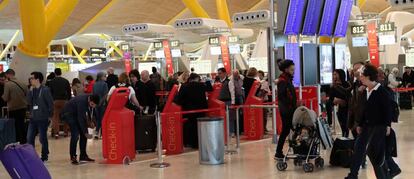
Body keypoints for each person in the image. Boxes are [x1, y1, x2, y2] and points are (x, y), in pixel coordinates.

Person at [345, 64, 392, 179]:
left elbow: (388, 110)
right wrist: (360, 124)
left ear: (368, 76)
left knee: (374, 153)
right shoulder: (366, 91)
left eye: (362, 75)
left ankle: (384, 176)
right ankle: (353, 175)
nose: (360, 77)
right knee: (358, 148)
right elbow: (364, 110)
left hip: (378, 127)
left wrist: (388, 125)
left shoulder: (381, 91)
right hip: (366, 126)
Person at [174, 73, 213, 148]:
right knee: (200, 126)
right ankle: (200, 142)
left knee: (191, 126)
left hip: (189, 110)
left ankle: (191, 143)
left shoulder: (184, 86)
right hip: (201, 109)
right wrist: (207, 80)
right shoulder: (201, 85)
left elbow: (179, 100)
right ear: (197, 78)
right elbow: (210, 89)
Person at [61, 94, 100, 165]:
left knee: (83, 133)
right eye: (92, 104)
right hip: (69, 114)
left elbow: (91, 113)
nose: (93, 106)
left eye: (94, 105)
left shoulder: (90, 101)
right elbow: (81, 118)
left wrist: (94, 123)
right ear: (90, 101)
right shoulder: (81, 102)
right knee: (75, 135)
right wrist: (85, 132)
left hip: (76, 114)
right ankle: (73, 156)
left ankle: (83, 156)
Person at [26, 72, 54, 162]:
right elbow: (28, 102)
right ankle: (32, 156)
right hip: (33, 118)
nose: (30, 80)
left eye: (32, 78)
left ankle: (44, 155)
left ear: (37, 80)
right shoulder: (32, 90)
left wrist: (50, 116)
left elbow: (50, 104)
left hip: (43, 118)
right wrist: (30, 91)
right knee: (29, 137)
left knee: (42, 138)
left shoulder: (45, 90)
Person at [274, 60, 297, 159]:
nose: (293, 72)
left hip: (288, 109)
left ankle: (280, 152)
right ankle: (279, 152)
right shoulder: (283, 81)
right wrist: (291, 106)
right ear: (286, 69)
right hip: (287, 110)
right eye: (292, 70)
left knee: (287, 130)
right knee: (288, 130)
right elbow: (282, 96)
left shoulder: (286, 79)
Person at [2, 69, 28, 144]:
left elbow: (5, 98)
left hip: (13, 108)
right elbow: (27, 95)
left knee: (15, 126)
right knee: (22, 124)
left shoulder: (8, 84)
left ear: (8, 74)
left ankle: (17, 142)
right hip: (23, 107)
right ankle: (24, 141)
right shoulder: (23, 83)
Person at [49, 68, 71, 138]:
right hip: (65, 101)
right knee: (65, 116)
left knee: (55, 117)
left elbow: (50, 92)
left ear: (55, 73)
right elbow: (69, 92)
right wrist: (68, 100)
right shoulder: (65, 81)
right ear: (61, 73)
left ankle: (56, 133)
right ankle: (65, 132)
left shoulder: (51, 82)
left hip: (55, 101)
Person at [329, 69, 351, 137]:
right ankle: (344, 140)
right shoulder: (333, 86)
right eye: (333, 74)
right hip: (340, 109)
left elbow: (350, 95)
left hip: (348, 108)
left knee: (347, 126)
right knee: (343, 126)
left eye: (336, 74)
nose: (334, 76)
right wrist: (336, 101)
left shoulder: (347, 84)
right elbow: (331, 100)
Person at [92, 72, 108, 139]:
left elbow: (93, 94)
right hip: (102, 104)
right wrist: (101, 102)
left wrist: (96, 103)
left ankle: (96, 132)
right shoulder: (105, 84)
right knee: (103, 119)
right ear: (101, 77)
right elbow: (105, 95)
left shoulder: (95, 84)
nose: (106, 77)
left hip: (96, 104)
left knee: (98, 119)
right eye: (105, 76)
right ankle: (102, 134)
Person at [229, 70, 244, 134]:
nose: (236, 75)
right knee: (235, 115)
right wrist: (233, 102)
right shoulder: (231, 81)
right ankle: (236, 130)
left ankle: (241, 129)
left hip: (241, 97)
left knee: (241, 113)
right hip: (236, 98)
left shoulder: (242, 78)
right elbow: (232, 92)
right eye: (234, 74)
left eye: (237, 74)